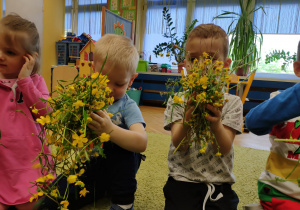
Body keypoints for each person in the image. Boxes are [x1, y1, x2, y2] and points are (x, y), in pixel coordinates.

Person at [38, 34, 147, 210]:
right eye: (103, 79)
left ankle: (123, 202)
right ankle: (100, 190)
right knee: (54, 196)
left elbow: (141, 142)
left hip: (119, 173)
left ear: (131, 80)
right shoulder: (85, 99)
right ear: (93, 71)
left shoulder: (128, 106)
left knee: (122, 149)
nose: (109, 89)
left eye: (119, 83)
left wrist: (110, 130)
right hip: (90, 169)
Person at [163, 23, 243, 210]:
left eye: (210, 59)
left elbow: (223, 148)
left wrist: (216, 124)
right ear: (185, 63)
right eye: (193, 59)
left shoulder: (232, 103)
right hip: (182, 179)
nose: (202, 66)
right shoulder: (178, 100)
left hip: (219, 183)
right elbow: (179, 144)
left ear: (225, 65)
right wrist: (188, 119)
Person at [0, 14, 51, 210]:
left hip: (29, 164)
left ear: (29, 58)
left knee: (31, 204)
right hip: (3, 164)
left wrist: (25, 82)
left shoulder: (35, 82)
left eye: (9, 52)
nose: (1, 55)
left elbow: (46, 115)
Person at [245, 41, 300, 210]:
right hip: (282, 193)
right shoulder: (283, 100)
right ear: (298, 69)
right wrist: (295, 97)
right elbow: (252, 122)